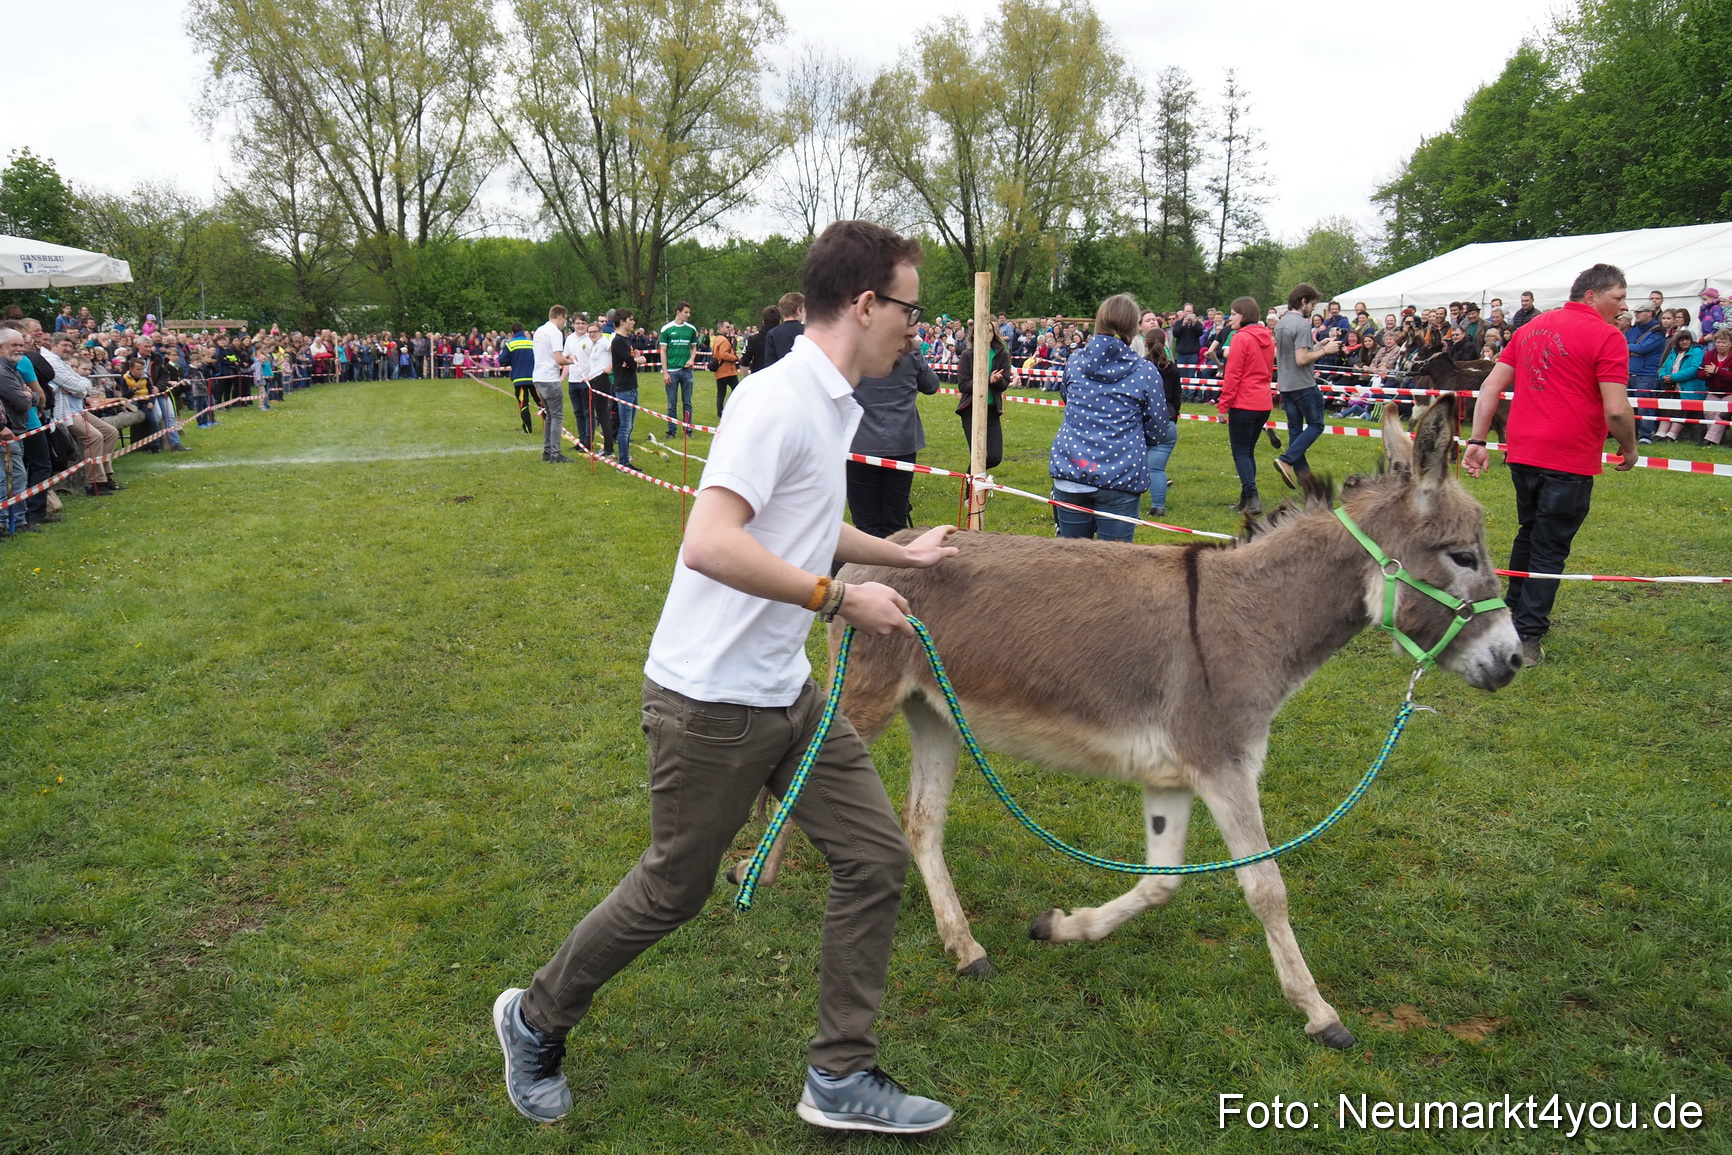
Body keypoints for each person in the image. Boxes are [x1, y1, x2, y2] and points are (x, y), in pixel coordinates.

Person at [493, 219, 959, 1136]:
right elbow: (709, 541)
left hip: (784, 691)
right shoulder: (779, 401)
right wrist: (838, 600)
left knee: (872, 858)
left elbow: (804, 524)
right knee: (675, 887)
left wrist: (900, 556)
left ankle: (840, 1074)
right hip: (708, 702)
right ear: (866, 305)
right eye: (910, 307)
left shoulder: (832, 401)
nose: (918, 327)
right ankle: (534, 1018)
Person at [1463, 263, 1638, 666]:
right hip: (1569, 456)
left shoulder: (1529, 329)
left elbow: (1491, 385)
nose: (1623, 306)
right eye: (1618, 297)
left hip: (1523, 451)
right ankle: (1527, 635)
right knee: (1549, 547)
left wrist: (1477, 440)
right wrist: (1629, 448)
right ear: (1591, 295)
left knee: (1530, 533)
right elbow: (1616, 410)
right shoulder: (1608, 337)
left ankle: (1510, 616)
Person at [1047, 294, 1168, 541]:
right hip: (1118, 476)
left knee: (1072, 564)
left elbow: (1067, 396)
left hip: (1073, 470)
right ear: (1134, 328)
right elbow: (1157, 428)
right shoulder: (1146, 372)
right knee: (1113, 570)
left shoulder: (1075, 361)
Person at [846, 340, 941, 537]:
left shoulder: (854, 350)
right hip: (900, 443)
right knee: (895, 524)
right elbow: (931, 385)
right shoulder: (911, 351)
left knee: (866, 524)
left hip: (861, 444)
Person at [1271, 283, 1338, 489]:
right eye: (1313, 304)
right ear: (1303, 301)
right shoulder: (1301, 324)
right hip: (1303, 384)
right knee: (1317, 425)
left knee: (1295, 433)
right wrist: (1327, 351)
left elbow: (1292, 353)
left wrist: (1318, 345)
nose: (1313, 309)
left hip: (1286, 385)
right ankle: (1286, 459)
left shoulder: (1281, 324)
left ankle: (1307, 484)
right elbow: (1301, 359)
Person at [1215, 296, 1274, 514]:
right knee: (1248, 452)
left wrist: (1223, 406)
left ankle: (1253, 497)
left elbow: (1233, 375)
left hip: (1244, 402)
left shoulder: (1241, 338)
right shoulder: (1267, 338)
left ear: (1245, 315)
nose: (1231, 318)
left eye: (1234, 314)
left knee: (1240, 452)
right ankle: (1245, 501)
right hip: (1263, 402)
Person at [954, 325, 1012, 470]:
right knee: (978, 455)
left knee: (994, 456)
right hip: (970, 410)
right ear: (975, 334)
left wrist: (997, 380)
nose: (987, 334)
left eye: (990, 331)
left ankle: (972, 478)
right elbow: (964, 386)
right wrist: (987, 379)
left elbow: (1004, 385)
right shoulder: (968, 355)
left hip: (991, 410)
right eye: (983, 330)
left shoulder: (1002, 355)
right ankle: (971, 491)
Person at [1142, 329, 1182, 517]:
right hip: (1168, 422)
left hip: (1146, 422)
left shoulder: (1141, 367)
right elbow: (1176, 398)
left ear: (1145, 344)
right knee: (1156, 468)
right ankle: (1158, 506)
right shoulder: (1173, 369)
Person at [533, 306, 574, 463]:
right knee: (557, 416)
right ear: (561, 316)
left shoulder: (540, 330)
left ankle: (547, 450)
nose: (565, 322)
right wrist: (570, 361)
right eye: (565, 318)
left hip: (538, 376)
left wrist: (564, 357)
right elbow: (558, 358)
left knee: (549, 415)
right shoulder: (555, 332)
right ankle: (555, 453)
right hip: (550, 377)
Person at [1653, 330, 1704, 442]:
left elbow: (1694, 369)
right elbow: (1664, 366)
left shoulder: (1697, 351)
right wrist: (1663, 376)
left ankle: (1672, 434)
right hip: (1671, 387)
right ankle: (1661, 432)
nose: (1685, 342)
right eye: (1682, 340)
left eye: (1687, 339)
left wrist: (1673, 377)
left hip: (1688, 387)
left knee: (1681, 410)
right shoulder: (1674, 352)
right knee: (1667, 408)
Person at [1625, 302, 1666, 443]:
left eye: (1639, 312)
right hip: (1630, 372)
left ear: (1649, 313)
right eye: (1635, 312)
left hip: (1646, 374)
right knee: (1628, 407)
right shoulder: (1634, 329)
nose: (1636, 314)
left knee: (1645, 407)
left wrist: (1631, 348)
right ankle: (1631, 435)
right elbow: (1623, 343)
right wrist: (1633, 348)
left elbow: (1641, 349)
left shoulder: (1657, 331)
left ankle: (1645, 435)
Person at [609, 310, 643, 468]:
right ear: (622, 321)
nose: (633, 322)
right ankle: (623, 462)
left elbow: (632, 360)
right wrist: (637, 360)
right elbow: (632, 362)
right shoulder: (617, 341)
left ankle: (625, 456)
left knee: (630, 425)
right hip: (624, 388)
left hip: (632, 386)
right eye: (630, 319)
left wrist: (635, 359)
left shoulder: (627, 339)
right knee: (625, 426)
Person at [658, 302, 698, 437]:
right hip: (672, 371)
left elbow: (693, 347)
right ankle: (671, 431)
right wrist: (665, 372)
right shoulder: (667, 329)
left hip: (686, 371)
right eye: (686, 312)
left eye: (689, 312)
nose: (688, 315)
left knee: (687, 402)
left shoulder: (691, 329)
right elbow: (663, 351)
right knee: (671, 403)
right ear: (678, 312)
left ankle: (688, 430)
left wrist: (691, 359)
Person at [1695, 328, 1732, 448]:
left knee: (1721, 414)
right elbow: (1699, 373)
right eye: (1718, 342)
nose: (1720, 345)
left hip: (1729, 392)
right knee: (1709, 412)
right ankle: (1717, 438)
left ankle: (1709, 440)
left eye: (1724, 342)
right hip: (1713, 390)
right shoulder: (1709, 355)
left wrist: (1717, 371)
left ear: (1730, 344)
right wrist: (1706, 373)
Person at [503, 324, 537, 435]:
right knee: (541, 401)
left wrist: (511, 361)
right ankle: (552, 425)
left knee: (523, 403)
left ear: (512, 333)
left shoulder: (510, 344)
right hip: (534, 378)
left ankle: (527, 428)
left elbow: (501, 359)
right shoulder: (531, 343)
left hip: (519, 378)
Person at [762, 292, 806, 367]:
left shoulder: (772, 334)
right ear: (799, 310)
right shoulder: (808, 331)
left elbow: (770, 363)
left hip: (781, 375)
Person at [710, 319, 740, 419]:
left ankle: (720, 413)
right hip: (727, 371)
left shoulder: (717, 339)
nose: (729, 328)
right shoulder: (723, 340)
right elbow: (723, 354)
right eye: (727, 327)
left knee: (721, 393)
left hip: (719, 370)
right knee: (737, 389)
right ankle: (730, 409)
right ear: (721, 327)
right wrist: (735, 358)